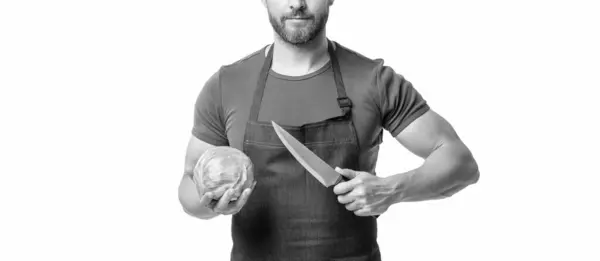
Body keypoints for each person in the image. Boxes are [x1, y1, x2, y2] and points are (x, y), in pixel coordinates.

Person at [178, 0, 480, 260]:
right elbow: (190, 185)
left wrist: (391, 190)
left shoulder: (374, 81)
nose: (297, 3)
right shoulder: (226, 86)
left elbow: (461, 163)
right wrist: (211, 204)